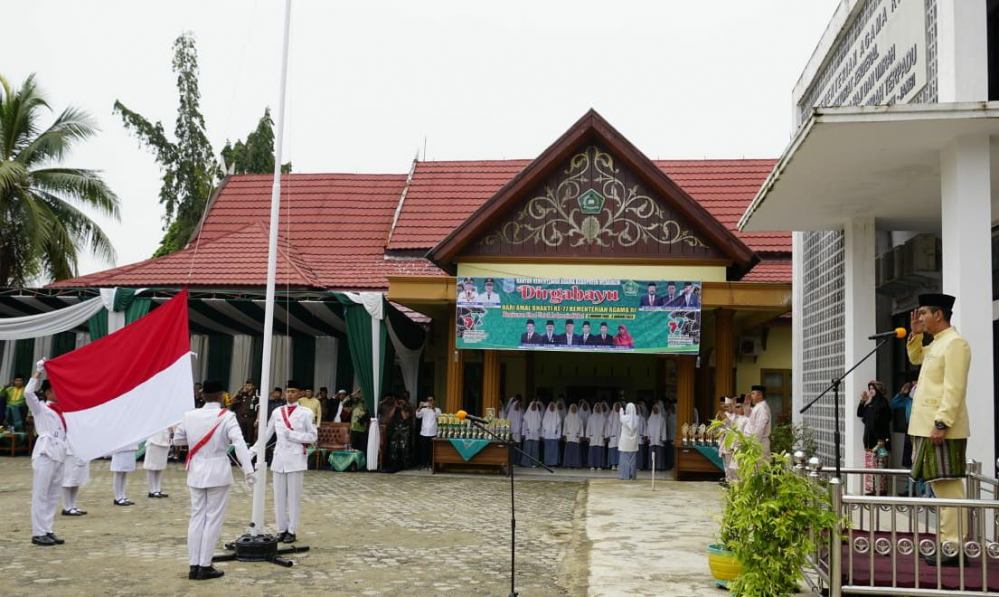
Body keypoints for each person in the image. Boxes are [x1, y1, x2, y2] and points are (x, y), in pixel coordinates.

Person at [907, 293, 971, 566]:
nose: (920, 317)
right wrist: (916, 335)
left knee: (948, 488)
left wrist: (942, 422)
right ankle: (948, 543)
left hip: (942, 428)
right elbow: (915, 358)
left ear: (938, 314)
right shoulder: (937, 343)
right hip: (927, 427)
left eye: (923, 313)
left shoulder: (955, 344)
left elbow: (954, 389)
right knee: (939, 486)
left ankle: (953, 547)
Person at [173, 379, 256, 581]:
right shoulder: (227, 416)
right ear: (221, 396)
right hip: (218, 471)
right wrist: (248, 470)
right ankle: (205, 565)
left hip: (196, 470)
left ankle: (194, 565)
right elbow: (239, 444)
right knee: (213, 519)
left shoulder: (189, 415)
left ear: (202, 395)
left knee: (196, 517)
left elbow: (178, 439)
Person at [261, 380, 317, 544]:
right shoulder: (277, 412)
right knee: (278, 497)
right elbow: (267, 434)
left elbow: (312, 437)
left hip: (296, 458)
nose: (290, 394)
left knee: (293, 498)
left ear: (299, 394)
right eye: (288, 391)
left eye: (293, 391)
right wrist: (253, 451)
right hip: (279, 458)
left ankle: (292, 530)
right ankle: (281, 529)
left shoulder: (306, 413)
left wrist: (293, 435)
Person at [25, 360, 67, 546]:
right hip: (45, 452)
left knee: (53, 495)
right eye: (56, 390)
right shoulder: (41, 408)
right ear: (48, 392)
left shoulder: (62, 411)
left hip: (59, 454)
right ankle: (38, 532)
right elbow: (28, 393)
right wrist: (38, 372)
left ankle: (47, 529)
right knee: (41, 494)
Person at [857, 381, 892, 496]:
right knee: (870, 465)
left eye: (873, 388)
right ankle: (872, 490)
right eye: (869, 388)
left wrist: (882, 439)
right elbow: (860, 413)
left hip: (880, 442)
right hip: (869, 441)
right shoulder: (870, 404)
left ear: (878, 390)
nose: (870, 390)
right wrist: (863, 401)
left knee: (881, 464)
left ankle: (881, 491)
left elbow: (884, 421)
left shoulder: (883, 403)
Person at [61, 444, 90, 516]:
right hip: (70, 451)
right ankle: (67, 507)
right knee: (68, 480)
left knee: (76, 480)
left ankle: (73, 506)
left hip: (81, 450)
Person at [744, 385, 772, 460]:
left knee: (759, 465)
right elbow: (747, 416)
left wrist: (754, 444)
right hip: (755, 442)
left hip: (759, 443)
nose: (751, 396)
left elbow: (759, 428)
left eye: (753, 394)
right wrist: (747, 404)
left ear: (760, 395)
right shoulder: (757, 406)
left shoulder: (762, 408)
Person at [144, 426, 173, 498]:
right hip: (154, 440)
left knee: (160, 467)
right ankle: (151, 491)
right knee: (151, 467)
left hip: (165, 440)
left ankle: (157, 489)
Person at [415, 396, 441, 470]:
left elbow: (439, 417)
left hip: (433, 433)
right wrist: (419, 407)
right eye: (428, 400)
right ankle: (423, 464)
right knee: (423, 450)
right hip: (424, 433)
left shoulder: (437, 410)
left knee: (432, 450)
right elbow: (418, 416)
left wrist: (433, 408)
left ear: (434, 401)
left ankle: (431, 464)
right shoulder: (423, 410)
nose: (429, 402)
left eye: (431, 400)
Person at [618, 403, 640, 480]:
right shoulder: (637, 418)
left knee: (624, 460)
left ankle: (624, 476)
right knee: (632, 460)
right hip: (633, 443)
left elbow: (620, 416)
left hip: (625, 442)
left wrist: (621, 410)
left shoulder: (624, 418)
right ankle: (632, 475)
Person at [521, 401, 543, 466]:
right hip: (528, 434)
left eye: (535, 406)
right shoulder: (526, 415)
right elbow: (524, 425)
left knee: (535, 450)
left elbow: (540, 426)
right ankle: (526, 463)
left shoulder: (538, 415)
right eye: (533, 405)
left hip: (536, 435)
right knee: (527, 449)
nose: (534, 407)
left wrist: (540, 435)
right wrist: (523, 434)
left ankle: (534, 463)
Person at [586, 402, 607, 470]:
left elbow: (606, 428)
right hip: (592, 437)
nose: (597, 408)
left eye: (599, 407)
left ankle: (599, 465)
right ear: (594, 408)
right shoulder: (591, 417)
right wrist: (588, 436)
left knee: (600, 452)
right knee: (592, 452)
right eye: (596, 407)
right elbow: (588, 427)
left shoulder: (604, 418)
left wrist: (605, 436)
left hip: (601, 437)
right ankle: (592, 465)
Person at [648, 403, 668, 471]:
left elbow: (664, 429)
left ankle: (659, 467)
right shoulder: (650, 419)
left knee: (659, 453)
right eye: (654, 409)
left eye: (656, 409)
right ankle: (651, 467)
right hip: (652, 439)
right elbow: (648, 429)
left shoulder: (662, 419)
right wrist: (648, 437)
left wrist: (663, 438)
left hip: (659, 439)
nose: (655, 410)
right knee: (651, 453)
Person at [562, 404, 584, 468]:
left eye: (575, 408)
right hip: (569, 437)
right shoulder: (567, 418)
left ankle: (576, 464)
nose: (573, 409)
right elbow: (565, 428)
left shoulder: (579, 419)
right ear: (570, 409)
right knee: (569, 451)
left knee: (576, 452)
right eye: (572, 408)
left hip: (576, 437)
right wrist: (565, 436)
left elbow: (581, 428)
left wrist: (581, 436)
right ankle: (568, 464)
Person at [541, 402, 562, 467]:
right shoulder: (546, 415)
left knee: (554, 450)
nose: (552, 407)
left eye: (553, 406)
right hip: (547, 436)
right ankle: (547, 463)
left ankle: (553, 463)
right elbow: (543, 426)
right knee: (547, 450)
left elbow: (559, 427)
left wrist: (559, 435)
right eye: (551, 406)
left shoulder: (557, 416)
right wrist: (542, 435)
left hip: (554, 436)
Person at [606, 402, 622, 470]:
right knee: (612, 450)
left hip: (620, 436)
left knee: (619, 450)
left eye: (618, 406)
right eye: (616, 406)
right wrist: (608, 436)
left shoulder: (622, 415)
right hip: (612, 437)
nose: (617, 408)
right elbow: (608, 427)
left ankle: (619, 464)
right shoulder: (611, 416)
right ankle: (613, 464)